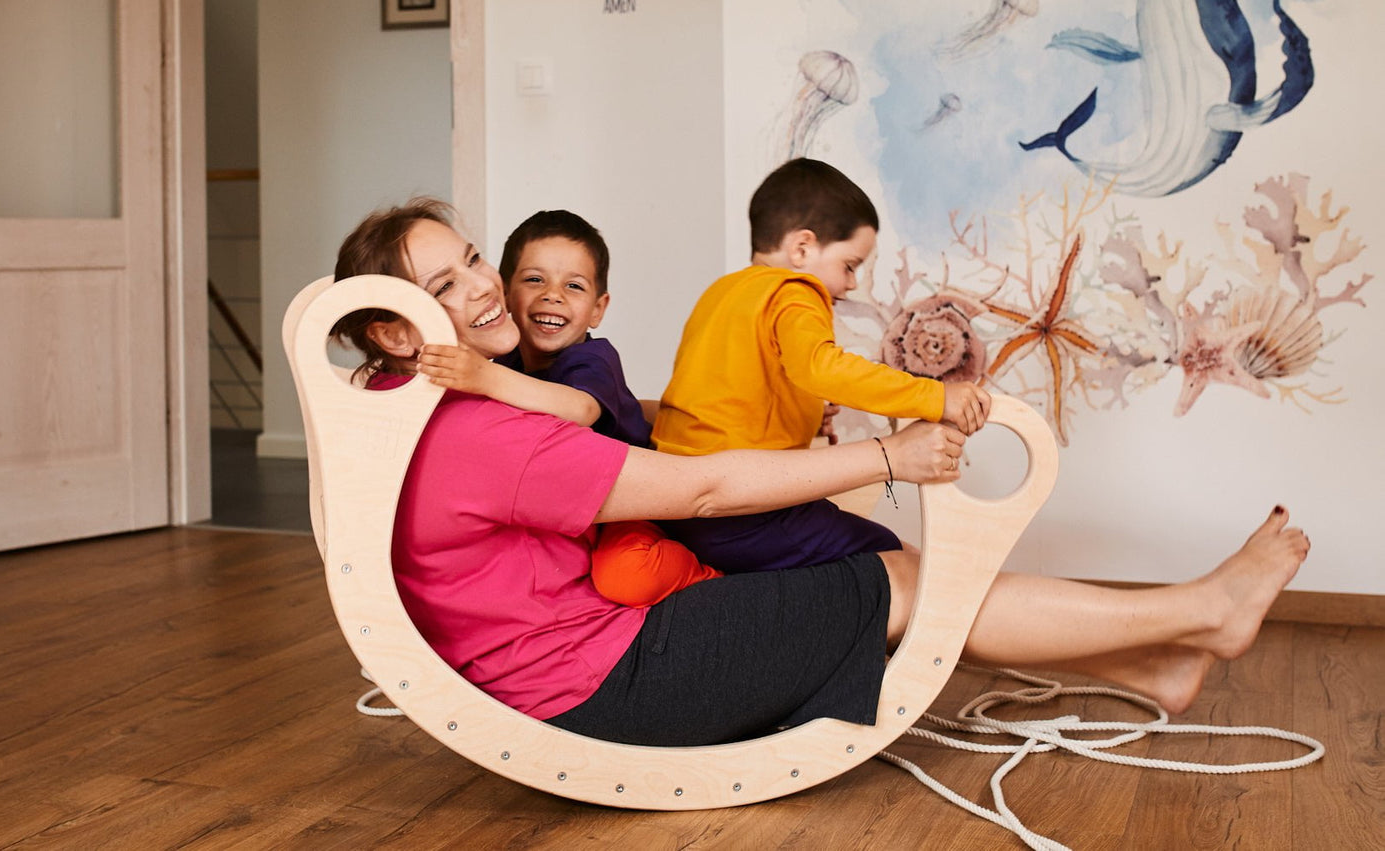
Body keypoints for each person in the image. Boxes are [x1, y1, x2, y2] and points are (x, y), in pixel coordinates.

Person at [329, 197, 1310, 748]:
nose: (484, 286)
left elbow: (627, 442)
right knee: (887, 582)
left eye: (470, 259)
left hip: (573, 654)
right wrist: (881, 454)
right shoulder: (481, 429)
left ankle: (1157, 659)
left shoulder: (393, 403)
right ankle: (1201, 614)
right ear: (386, 325)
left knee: (864, 585)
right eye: (442, 284)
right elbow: (698, 491)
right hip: (600, 682)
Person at [651, 157, 991, 573]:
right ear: (802, 248)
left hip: (676, 498)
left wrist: (806, 413)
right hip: (740, 511)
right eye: (849, 265)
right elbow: (821, 367)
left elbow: (735, 388)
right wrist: (936, 396)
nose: (850, 284)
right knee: (891, 555)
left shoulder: (722, 293)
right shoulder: (795, 289)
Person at [414, 209, 721, 608]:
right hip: (564, 508)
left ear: (597, 308)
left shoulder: (593, 360)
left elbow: (580, 410)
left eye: (574, 286)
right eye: (534, 279)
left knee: (625, 577)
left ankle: (711, 576)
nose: (552, 294)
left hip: (630, 504)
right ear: (505, 293)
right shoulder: (506, 363)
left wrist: (483, 377)